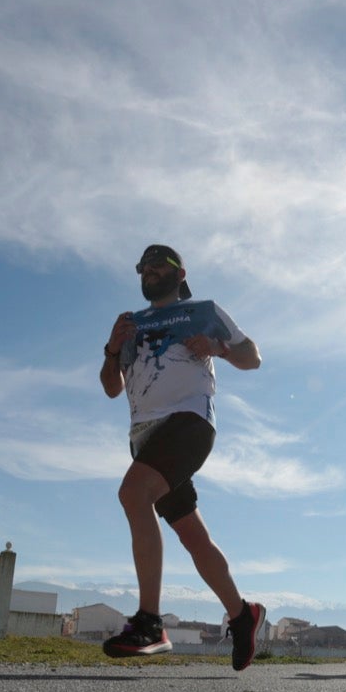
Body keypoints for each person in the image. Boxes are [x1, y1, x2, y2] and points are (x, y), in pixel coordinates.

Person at [100, 243, 267, 669]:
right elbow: (111, 387)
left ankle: (151, 623)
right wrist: (112, 349)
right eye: (143, 267)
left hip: (190, 423)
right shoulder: (129, 322)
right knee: (192, 536)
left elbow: (253, 357)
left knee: (133, 494)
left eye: (159, 265)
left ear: (179, 271)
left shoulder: (204, 310)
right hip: (145, 438)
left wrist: (218, 348)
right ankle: (242, 613)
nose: (149, 272)